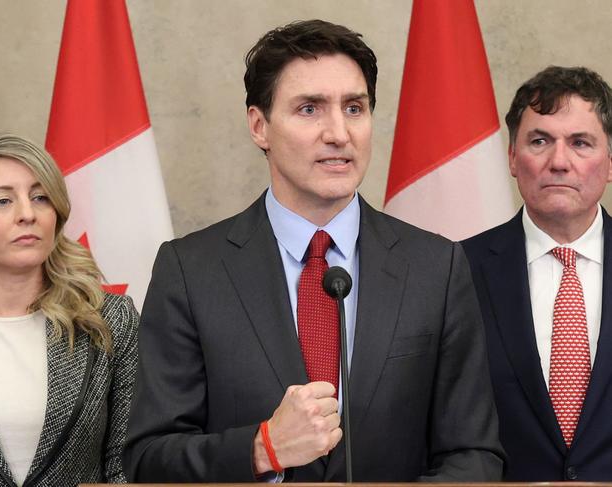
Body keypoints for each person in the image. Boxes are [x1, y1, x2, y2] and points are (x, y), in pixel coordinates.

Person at [124, 19, 503, 482]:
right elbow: (150, 460)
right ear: (259, 126)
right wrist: (262, 449)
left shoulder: (435, 267)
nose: (339, 133)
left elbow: (474, 456)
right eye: (310, 109)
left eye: (355, 108)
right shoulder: (190, 269)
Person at [0, 133, 138, 486]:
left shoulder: (111, 321)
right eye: (2, 201)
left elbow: (126, 466)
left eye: (40, 198)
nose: (27, 214)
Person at [462, 66, 612, 480]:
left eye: (580, 143)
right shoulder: (455, 271)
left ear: (611, 162)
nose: (559, 161)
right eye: (540, 141)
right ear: (512, 157)